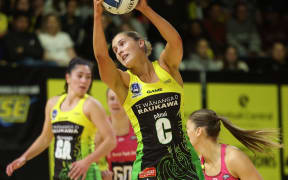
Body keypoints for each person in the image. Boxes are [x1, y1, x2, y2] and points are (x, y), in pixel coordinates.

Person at [93, 0, 204, 179]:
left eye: (122, 44)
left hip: (184, 162)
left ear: (141, 43)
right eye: (115, 50)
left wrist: (145, 9)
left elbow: (175, 41)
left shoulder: (166, 67)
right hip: (149, 165)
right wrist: (97, 16)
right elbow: (101, 57)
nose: (119, 51)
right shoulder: (125, 82)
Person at [6, 57, 116, 180]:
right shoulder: (53, 103)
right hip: (60, 174)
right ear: (68, 77)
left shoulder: (91, 105)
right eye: (79, 76)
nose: (84, 81)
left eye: (88, 77)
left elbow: (111, 140)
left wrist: (86, 162)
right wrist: (24, 157)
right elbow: (45, 137)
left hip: (86, 174)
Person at [186, 109, 282, 180]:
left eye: (187, 130)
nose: (185, 135)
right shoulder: (196, 165)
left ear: (198, 131)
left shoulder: (233, 158)